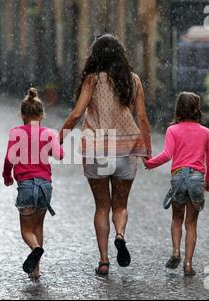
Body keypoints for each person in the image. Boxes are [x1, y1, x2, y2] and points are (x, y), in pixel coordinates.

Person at [59, 34, 152, 276]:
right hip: (126, 149)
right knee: (120, 205)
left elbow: (77, 114)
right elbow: (142, 118)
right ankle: (120, 234)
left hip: (97, 149)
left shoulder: (92, 80)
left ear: (95, 55)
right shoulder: (133, 81)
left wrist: (60, 136)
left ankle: (103, 261)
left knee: (102, 207)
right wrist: (147, 151)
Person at [144, 92, 209, 276]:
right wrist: (208, 182)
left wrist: (150, 163)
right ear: (196, 109)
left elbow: (167, 155)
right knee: (191, 224)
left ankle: (176, 251)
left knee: (177, 219)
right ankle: (188, 264)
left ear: (178, 109)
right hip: (196, 179)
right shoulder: (205, 132)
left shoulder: (172, 130)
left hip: (178, 178)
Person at [3, 88, 65, 280]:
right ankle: (36, 269)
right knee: (38, 226)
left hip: (27, 185)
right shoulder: (48, 133)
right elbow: (59, 155)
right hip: (45, 186)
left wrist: (7, 176)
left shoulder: (16, 133)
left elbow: (9, 159)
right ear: (42, 115)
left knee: (26, 230)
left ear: (22, 115)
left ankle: (36, 249)